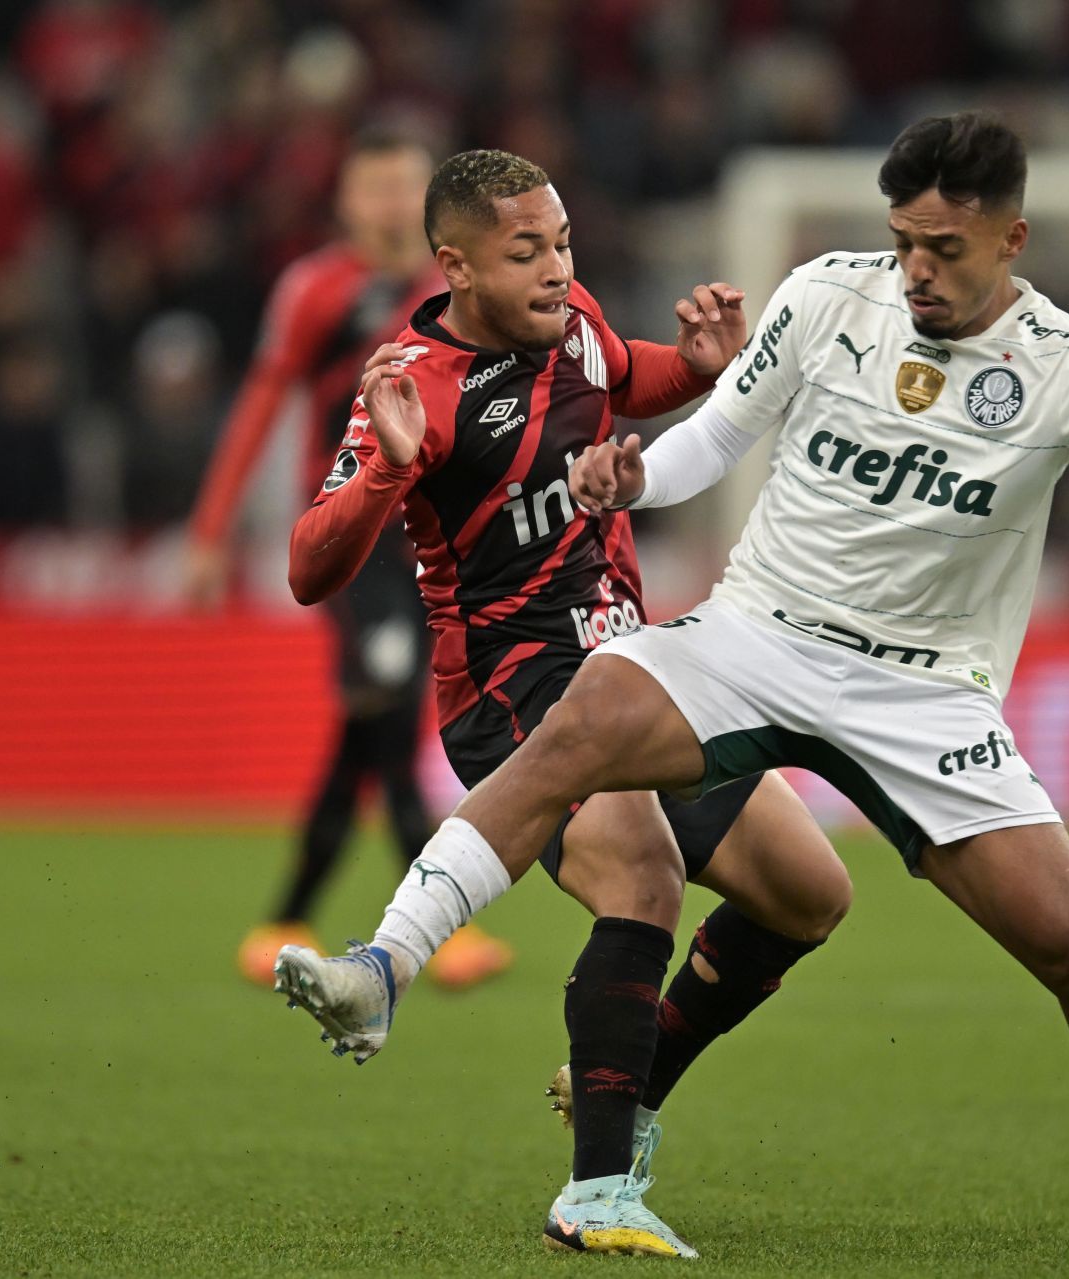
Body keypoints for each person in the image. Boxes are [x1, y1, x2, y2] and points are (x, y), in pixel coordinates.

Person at [277, 112, 1069, 1258]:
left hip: (927, 692)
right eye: (904, 241)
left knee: (1020, 931)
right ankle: (395, 975)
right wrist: (627, 482)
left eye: (945, 248)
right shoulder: (831, 293)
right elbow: (714, 439)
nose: (917, 269)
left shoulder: (1066, 364)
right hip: (752, 633)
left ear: (1012, 239)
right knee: (600, 755)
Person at [273, 149, 855, 1257]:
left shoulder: (574, 318)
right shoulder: (414, 384)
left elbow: (627, 374)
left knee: (807, 892)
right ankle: (594, 1195)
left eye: (564, 243)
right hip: (513, 684)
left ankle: (625, 1093)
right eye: (525, 251)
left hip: (632, 662)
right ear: (457, 266)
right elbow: (308, 566)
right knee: (643, 868)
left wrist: (692, 368)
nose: (555, 268)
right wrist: (390, 474)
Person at [183, 129, 510, 989]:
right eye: (376, 189)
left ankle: (286, 914)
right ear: (346, 201)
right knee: (392, 698)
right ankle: (445, 927)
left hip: (442, 534)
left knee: (372, 721)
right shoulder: (315, 289)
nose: (393, 204)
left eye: (407, 186)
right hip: (354, 534)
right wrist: (211, 529)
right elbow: (262, 400)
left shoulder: (456, 286)